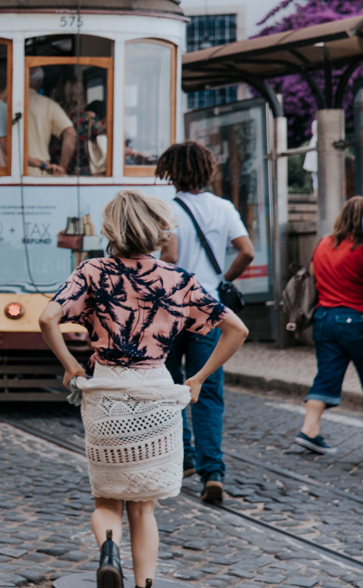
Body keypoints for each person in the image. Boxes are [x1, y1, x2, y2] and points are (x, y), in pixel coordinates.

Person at [40, 189, 248, 588]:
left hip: (105, 396)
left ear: (111, 231)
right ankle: (145, 584)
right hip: (156, 393)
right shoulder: (179, 279)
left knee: (106, 502)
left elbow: (48, 319)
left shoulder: (91, 272)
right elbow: (237, 329)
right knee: (144, 510)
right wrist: (199, 378)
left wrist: (70, 366)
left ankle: (108, 551)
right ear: (158, 232)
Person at [156, 141, 254, 502]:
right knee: (208, 391)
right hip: (210, 310)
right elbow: (247, 251)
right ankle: (213, 472)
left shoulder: (167, 207)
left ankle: (184, 458)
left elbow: (170, 254)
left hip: (171, 309)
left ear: (172, 171)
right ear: (207, 170)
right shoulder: (223, 207)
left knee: (171, 385)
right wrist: (222, 279)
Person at [295, 196, 363, 454]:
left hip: (323, 319)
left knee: (326, 376)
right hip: (356, 320)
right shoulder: (360, 249)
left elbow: (313, 276)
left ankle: (309, 431)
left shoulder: (324, 243)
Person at [51, 77, 106, 176]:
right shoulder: (89, 119)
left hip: (56, 172)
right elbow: (105, 142)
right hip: (85, 175)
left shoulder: (54, 117)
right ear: (81, 95)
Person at [25, 67, 74, 176]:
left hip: (9, 171)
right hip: (40, 172)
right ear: (40, 81)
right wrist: (61, 169)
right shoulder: (48, 105)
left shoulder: (7, 104)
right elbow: (70, 133)